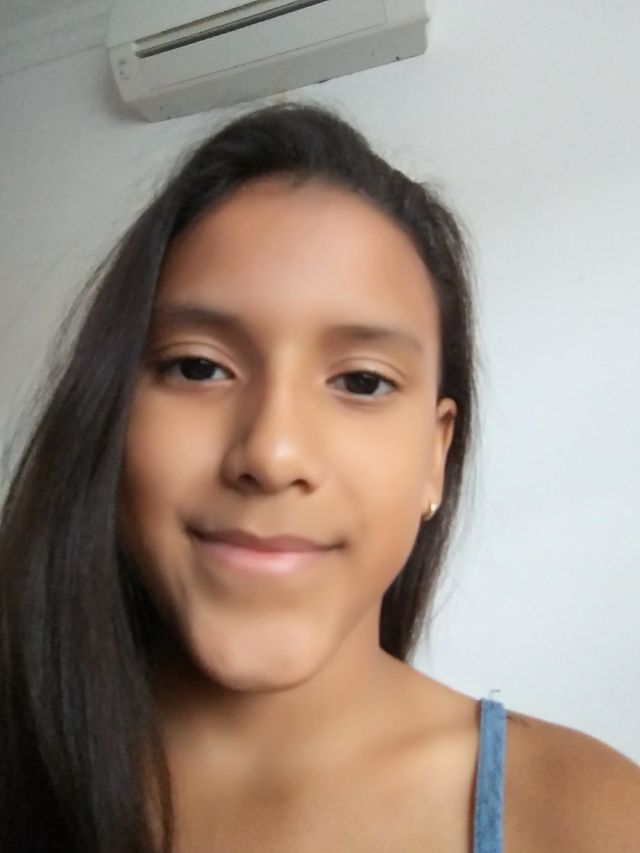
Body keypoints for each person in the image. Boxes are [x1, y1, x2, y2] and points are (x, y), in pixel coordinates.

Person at [1, 101, 638, 853]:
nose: (273, 455)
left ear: (434, 457)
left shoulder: (591, 820)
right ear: (111, 413)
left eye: (362, 381)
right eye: (199, 367)